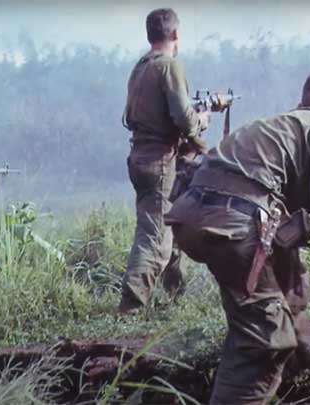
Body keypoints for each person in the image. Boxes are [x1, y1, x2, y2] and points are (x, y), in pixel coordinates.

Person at [166, 70, 310, 404]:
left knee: (288, 287)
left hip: (192, 215)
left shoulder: (277, 126)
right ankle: (285, 346)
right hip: (233, 225)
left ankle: (305, 343)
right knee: (264, 344)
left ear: (301, 103)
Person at [118, 8, 210, 314]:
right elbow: (183, 118)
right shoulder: (169, 66)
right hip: (158, 161)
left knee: (167, 223)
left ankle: (174, 295)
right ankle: (131, 308)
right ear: (175, 35)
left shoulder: (141, 66)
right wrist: (201, 129)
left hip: (141, 157)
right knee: (155, 237)